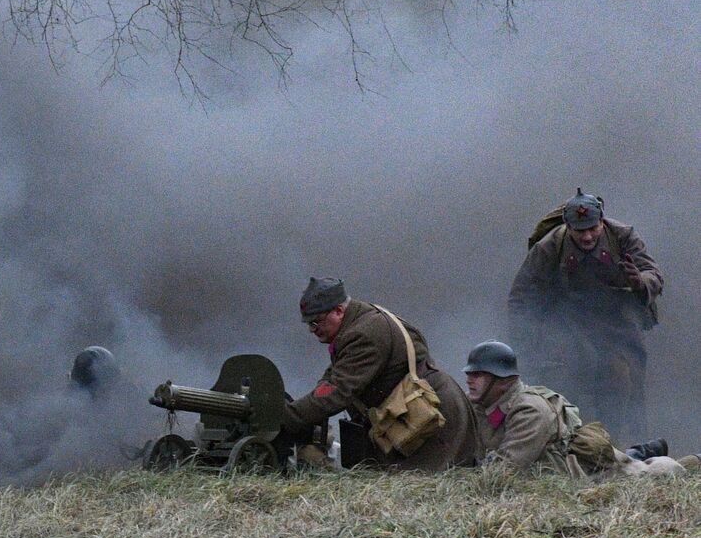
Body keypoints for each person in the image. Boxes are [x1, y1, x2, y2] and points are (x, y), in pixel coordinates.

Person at [508, 190, 661, 446]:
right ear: (568, 227)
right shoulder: (549, 248)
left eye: (593, 228)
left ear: (602, 221)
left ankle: (629, 448)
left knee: (625, 383)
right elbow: (521, 297)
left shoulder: (623, 237)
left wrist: (639, 282)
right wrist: (526, 344)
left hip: (619, 324)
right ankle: (576, 447)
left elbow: (653, 273)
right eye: (580, 230)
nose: (588, 236)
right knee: (568, 385)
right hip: (570, 323)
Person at [282, 277, 480, 471]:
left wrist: (285, 418)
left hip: (431, 417)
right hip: (414, 410)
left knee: (427, 489)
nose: (312, 330)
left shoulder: (363, 334)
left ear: (339, 311)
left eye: (316, 323)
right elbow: (331, 380)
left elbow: (337, 391)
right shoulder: (358, 323)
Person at [462, 340, 697, 478]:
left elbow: (504, 470)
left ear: (503, 381)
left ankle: (694, 461)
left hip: (587, 470)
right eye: (469, 374)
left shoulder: (529, 411)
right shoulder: (481, 403)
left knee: (653, 474)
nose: (470, 380)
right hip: (569, 460)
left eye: (479, 374)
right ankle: (638, 451)